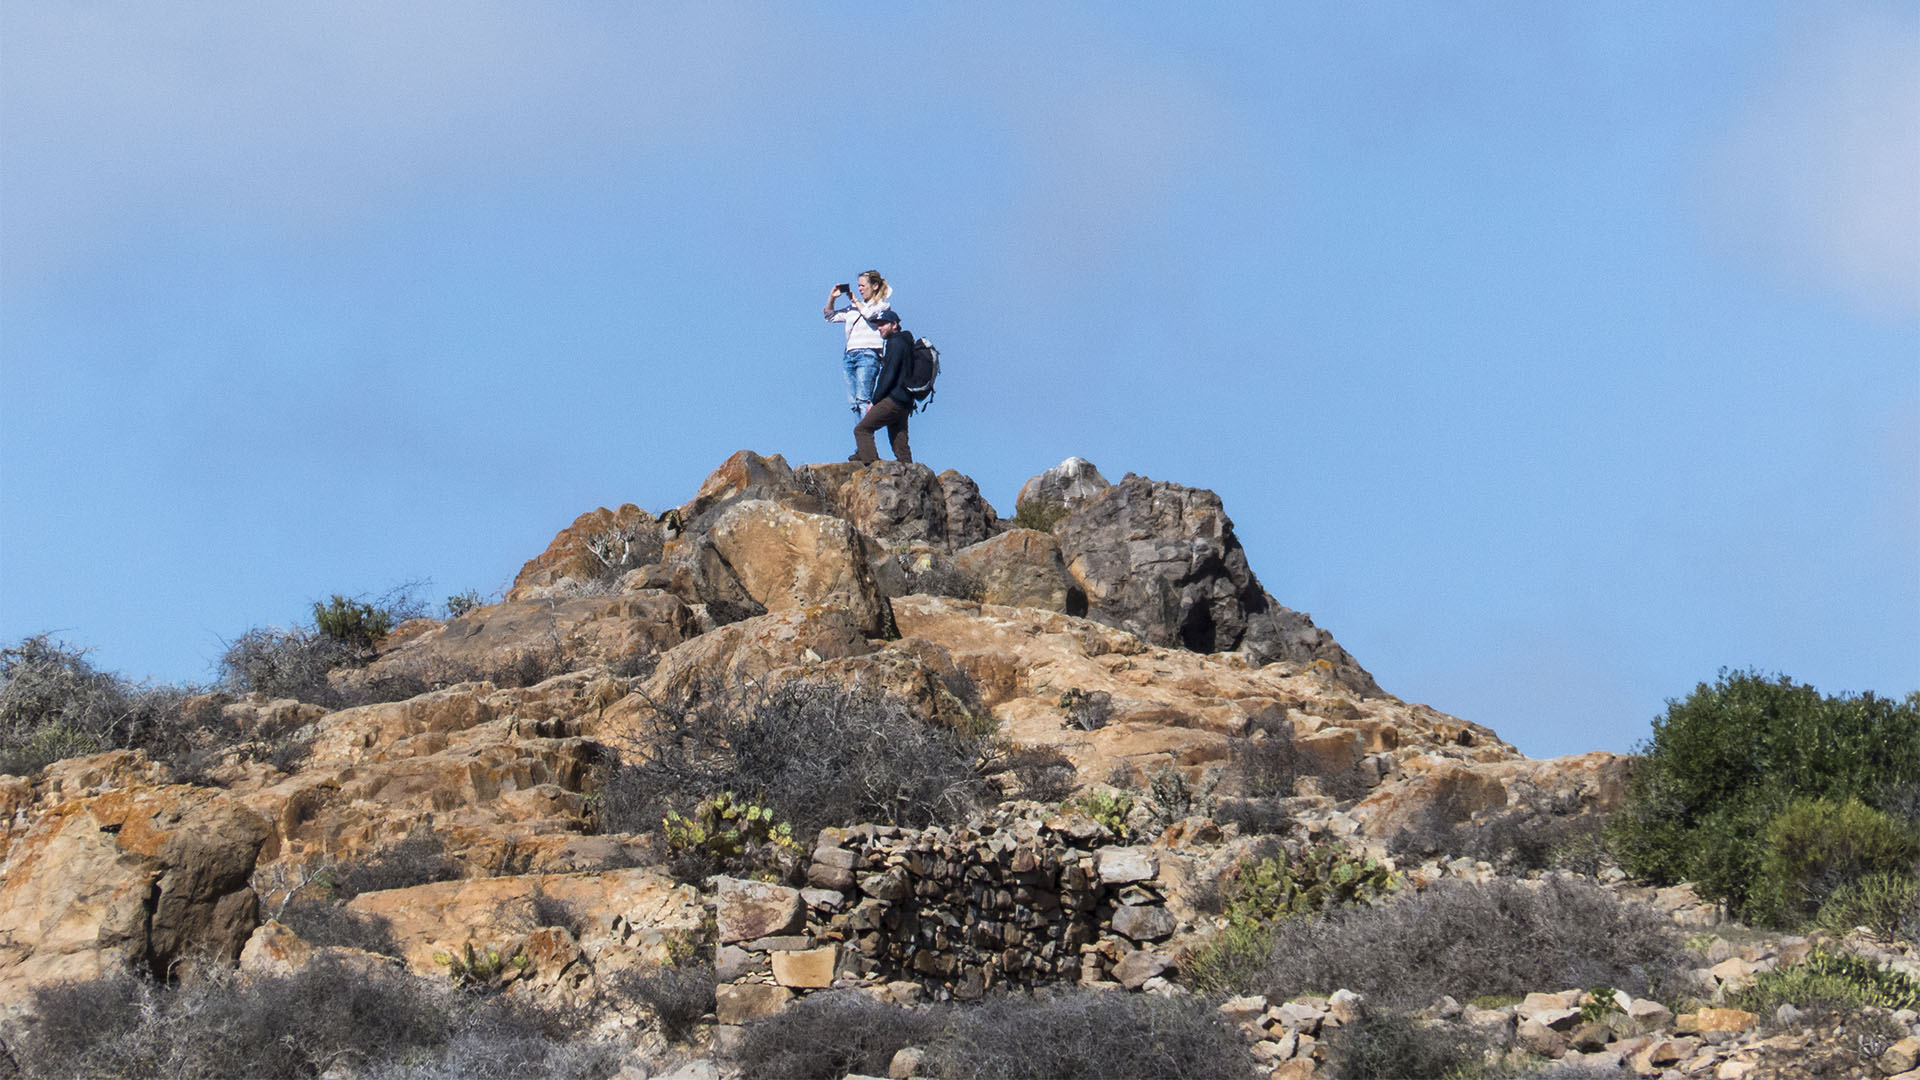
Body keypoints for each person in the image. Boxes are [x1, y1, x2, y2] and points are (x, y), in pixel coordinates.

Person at [822, 270, 892, 415]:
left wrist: (855, 301)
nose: (859, 289)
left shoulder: (882, 306)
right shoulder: (853, 308)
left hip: (868, 354)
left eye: (863, 286)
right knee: (853, 402)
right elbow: (830, 316)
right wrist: (832, 298)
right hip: (850, 354)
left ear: (874, 286)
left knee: (863, 399)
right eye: (858, 286)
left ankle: (866, 431)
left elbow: (869, 314)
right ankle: (860, 432)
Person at [851, 309, 914, 464]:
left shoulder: (895, 343)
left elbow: (888, 374)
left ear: (894, 325)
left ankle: (873, 466)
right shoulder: (906, 342)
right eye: (878, 325)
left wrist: (874, 401)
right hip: (906, 402)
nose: (879, 328)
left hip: (894, 399)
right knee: (899, 440)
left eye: (883, 324)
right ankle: (910, 472)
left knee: (862, 430)